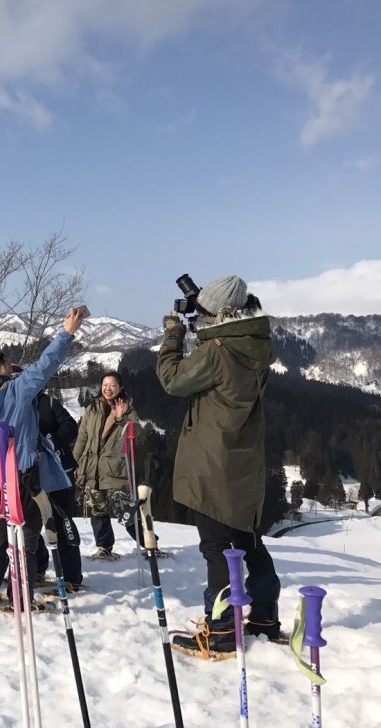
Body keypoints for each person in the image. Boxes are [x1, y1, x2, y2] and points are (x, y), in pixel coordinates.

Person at [157, 275, 282, 654]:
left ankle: (223, 630)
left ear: (223, 314)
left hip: (214, 463)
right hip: (243, 462)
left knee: (216, 547)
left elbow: (172, 379)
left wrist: (174, 334)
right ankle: (264, 617)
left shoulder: (217, 352)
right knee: (249, 540)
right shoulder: (252, 347)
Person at [0, 307, 87, 612]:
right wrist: (68, 331)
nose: (9, 367)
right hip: (22, 473)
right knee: (29, 534)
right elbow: (45, 364)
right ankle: (20, 596)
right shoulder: (18, 393)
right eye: (3, 364)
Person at [74, 371, 139, 560]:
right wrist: (74, 462)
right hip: (92, 468)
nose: (108, 389)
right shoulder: (92, 408)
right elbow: (83, 437)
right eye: (105, 385)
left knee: (125, 511)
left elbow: (137, 433)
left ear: (120, 388)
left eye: (112, 385)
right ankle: (104, 547)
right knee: (97, 510)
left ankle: (149, 543)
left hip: (115, 469)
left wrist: (120, 418)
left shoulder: (127, 407)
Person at [32, 390, 84, 590]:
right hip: (32, 475)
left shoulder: (46, 402)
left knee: (63, 522)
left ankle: (71, 577)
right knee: (32, 525)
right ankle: (37, 569)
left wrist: (52, 440)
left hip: (60, 471)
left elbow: (70, 426)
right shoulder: (12, 405)